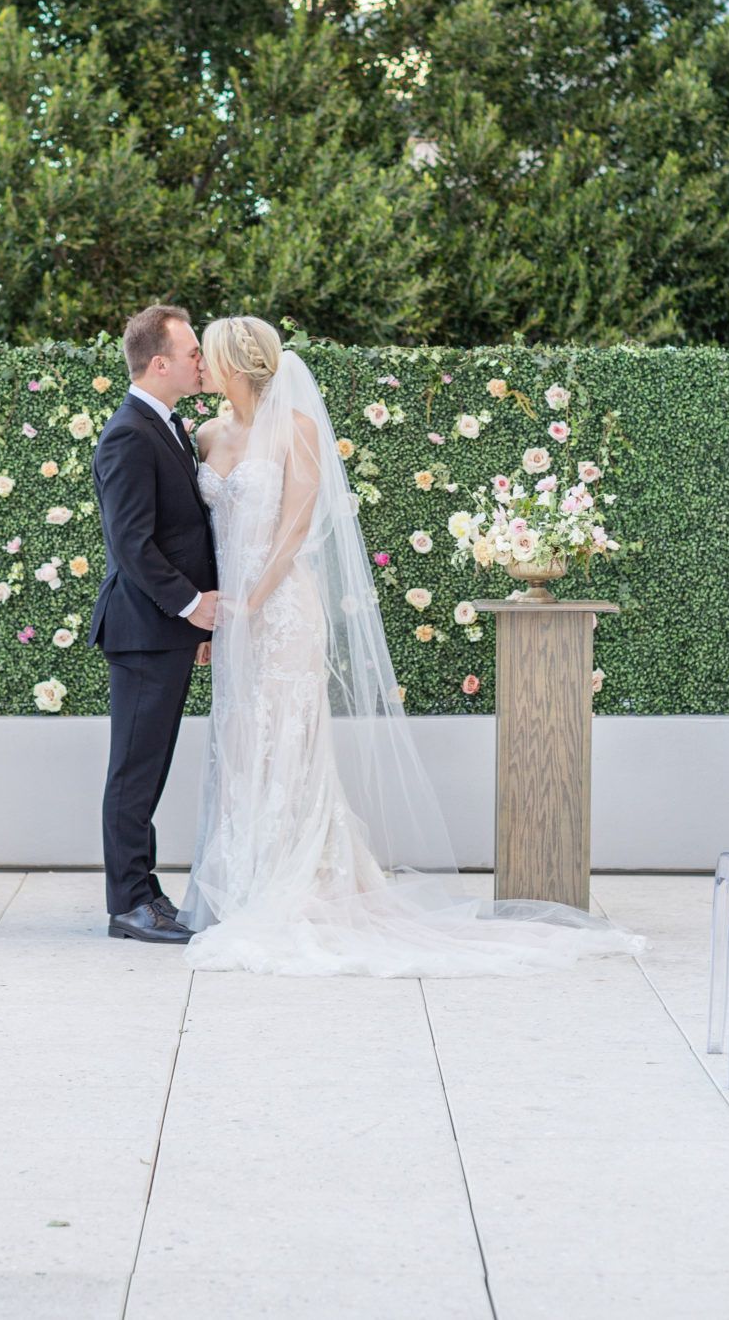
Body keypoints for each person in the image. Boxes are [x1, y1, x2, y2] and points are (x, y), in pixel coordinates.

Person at [178, 315, 642, 975]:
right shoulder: (205, 435)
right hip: (233, 620)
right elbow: (205, 535)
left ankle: (300, 881)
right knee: (242, 737)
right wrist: (213, 613)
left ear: (234, 362)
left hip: (279, 610)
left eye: (209, 355)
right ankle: (244, 877)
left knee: (290, 737)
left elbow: (295, 526)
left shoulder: (297, 432)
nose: (201, 366)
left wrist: (251, 604)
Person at [87, 303, 219, 944]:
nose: (201, 361)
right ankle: (128, 905)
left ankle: (146, 892)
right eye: (192, 352)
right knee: (135, 771)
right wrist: (194, 606)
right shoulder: (128, 434)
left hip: (165, 631)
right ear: (159, 362)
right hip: (142, 630)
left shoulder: (164, 425)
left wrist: (196, 628)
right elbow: (133, 545)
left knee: (151, 768)